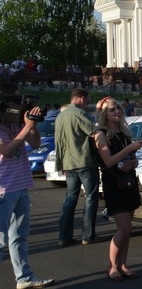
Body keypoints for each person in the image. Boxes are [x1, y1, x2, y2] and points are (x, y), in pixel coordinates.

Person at [0, 84, 55, 289]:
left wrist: (30, 125)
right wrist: (26, 127)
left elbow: (34, 143)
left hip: (21, 186)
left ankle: (24, 277)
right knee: (0, 242)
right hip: (3, 189)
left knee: (19, 237)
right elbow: (8, 151)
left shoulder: (16, 123)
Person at [92, 97, 142, 280]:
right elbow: (108, 161)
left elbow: (131, 158)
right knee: (124, 228)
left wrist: (133, 160)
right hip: (113, 184)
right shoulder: (100, 134)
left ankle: (123, 264)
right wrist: (128, 149)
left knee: (128, 229)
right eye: (112, 110)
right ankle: (112, 266)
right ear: (103, 114)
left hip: (128, 181)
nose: (116, 112)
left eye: (118, 109)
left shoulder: (124, 132)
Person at [55, 88, 101, 246]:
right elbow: (94, 131)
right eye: (87, 100)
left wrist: (60, 162)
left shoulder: (60, 116)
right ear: (81, 98)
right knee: (90, 198)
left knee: (69, 199)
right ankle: (88, 235)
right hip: (84, 160)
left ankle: (64, 236)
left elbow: (58, 141)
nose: (87, 103)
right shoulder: (78, 113)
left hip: (68, 163)